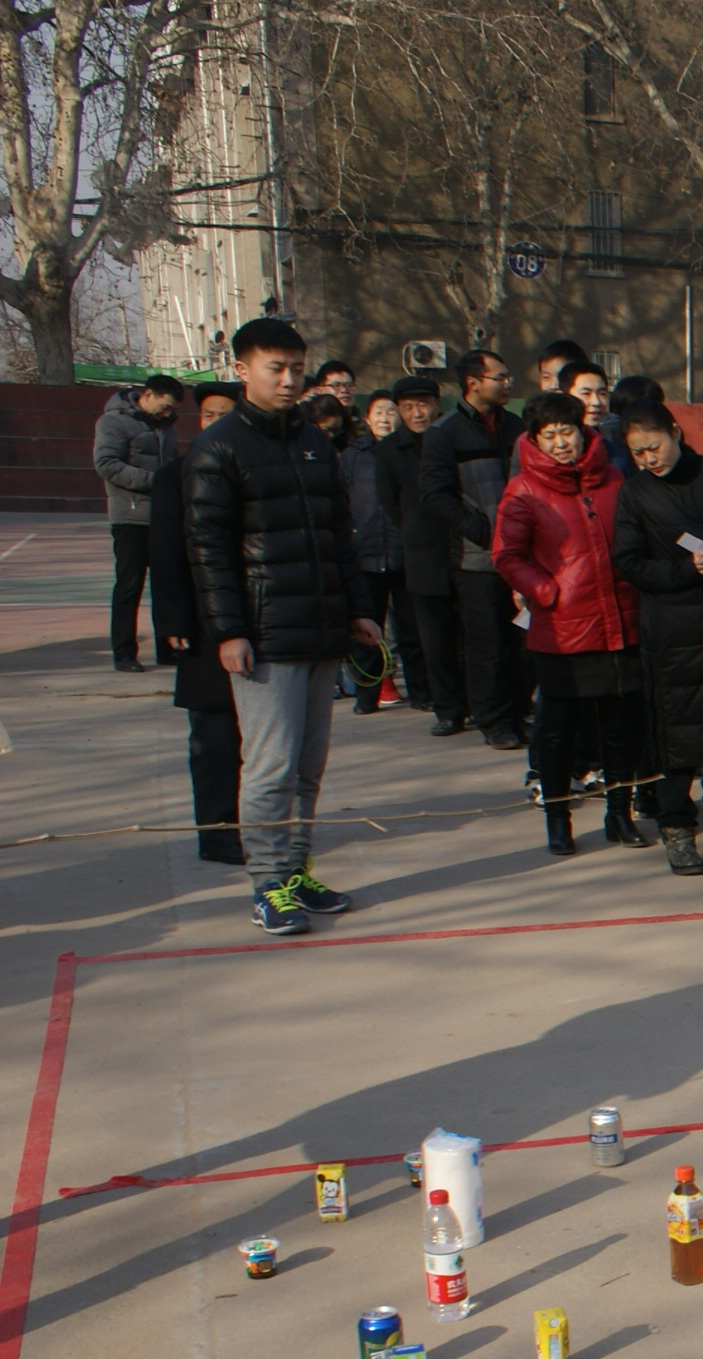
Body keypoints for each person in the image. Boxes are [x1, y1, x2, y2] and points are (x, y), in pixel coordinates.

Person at [184, 317, 382, 935]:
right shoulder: (218, 448)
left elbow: (338, 534)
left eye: (298, 368)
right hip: (265, 635)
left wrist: (358, 608)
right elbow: (209, 551)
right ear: (242, 370)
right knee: (270, 768)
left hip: (322, 627)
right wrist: (229, 631)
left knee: (307, 767)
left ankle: (296, 873)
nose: (290, 379)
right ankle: (267, 883)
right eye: (277, 368)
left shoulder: (315, 441)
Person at [495, 388, 647, 855]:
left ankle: (620, 814)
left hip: (620, 620)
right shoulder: (523, 489)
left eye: (568, 432)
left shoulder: (614, 477)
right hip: (562, 628)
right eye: (550, 435)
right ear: (535, 440)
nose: (561, 443)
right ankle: (558, 820)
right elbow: (506, 555)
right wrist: (546, 590)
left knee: (620, 726)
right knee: (558, 730)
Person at [612, 398, 703, 874]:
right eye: (638, 453)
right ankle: (677, 827)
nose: (649, 459)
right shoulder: (635, 493)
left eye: (654, 447)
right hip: (669, 629)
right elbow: (628, 562)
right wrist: (682, 571)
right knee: (674, 734)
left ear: (675, 432)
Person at [154, 381, 242, 862]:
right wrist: (173, 620)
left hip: (258, 616)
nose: (214, 423)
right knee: (213, 734)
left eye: (224, 414)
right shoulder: (175, 475)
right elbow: (166, 552)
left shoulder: (253, 466)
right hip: (203, 623)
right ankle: (218, 832)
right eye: (208, 415)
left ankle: (264, 825)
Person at [421, 348, 526, 745]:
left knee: (522, 641)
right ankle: (493, 720)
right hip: (477, 559)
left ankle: (519, 713)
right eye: (500, 377)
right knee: (487, 644)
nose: (507, 383)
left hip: (521, 554)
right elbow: (435, 495)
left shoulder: (516, 426)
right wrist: (480, 529)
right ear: (473, 383)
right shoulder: (445, 432)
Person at [305, 392, 401, 714]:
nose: (385, 418)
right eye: (379, 412)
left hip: (402, 553)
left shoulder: (410, 451)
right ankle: (366, 694)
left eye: (391, 411)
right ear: (367, 418)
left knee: (410, 630)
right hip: (365, 554)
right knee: (365, 629)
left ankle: (422, 691)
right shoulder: (350, 457)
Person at [94, 373, 181, 670]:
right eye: (164, 407)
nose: (167, 414)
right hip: (130, 517)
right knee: (129, 586)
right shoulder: (113, 422)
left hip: (163, 516)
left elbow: (171, 462)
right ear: (147, 395)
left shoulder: (166, 427)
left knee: (166, 585)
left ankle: (167, 648)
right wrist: (154, 481)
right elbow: (106, 464)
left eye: (172, 409)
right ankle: (124, 652)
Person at [376, 373, 445, 712]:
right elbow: (389, 501)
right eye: (407, 407)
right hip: (419, 550)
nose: (417, 413)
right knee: (423, 633)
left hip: (457, 543)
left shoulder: (448, 438)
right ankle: (429, 695)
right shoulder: (389, 449)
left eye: (423, 405)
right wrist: (412, 528)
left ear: (436, 405)